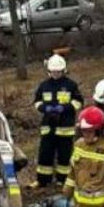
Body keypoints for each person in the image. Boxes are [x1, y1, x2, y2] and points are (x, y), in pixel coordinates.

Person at [33, 54, 83, 186]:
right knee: (45, 154)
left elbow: (78, 102)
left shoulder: (71, 85)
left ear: (63, 70)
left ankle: (63, 180)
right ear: (49, 71)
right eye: (53, 71)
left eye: (58, 71)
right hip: (48, 127)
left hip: (65, 128)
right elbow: (37, 102)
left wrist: (65, 108)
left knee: (64, 156)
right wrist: (45, 108)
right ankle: (43, 180)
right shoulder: (44, 86)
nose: (56, 74)